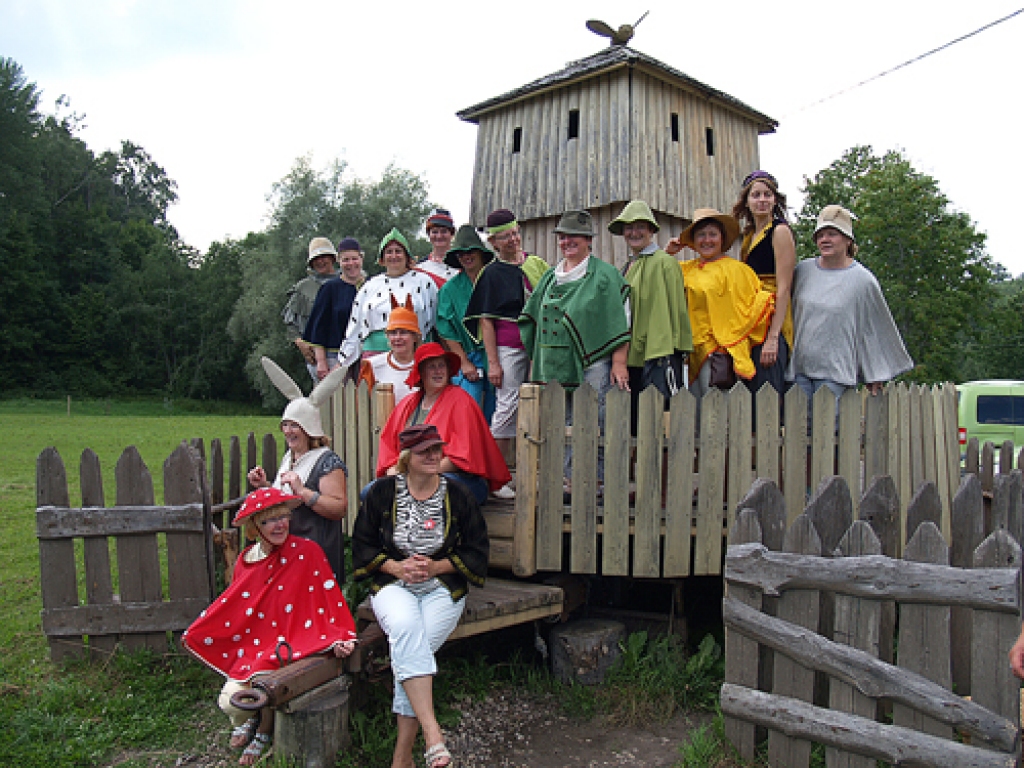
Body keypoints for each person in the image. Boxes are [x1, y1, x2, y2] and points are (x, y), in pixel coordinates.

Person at [183, 487, 356, 766]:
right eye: (268, 520)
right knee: (230, 702)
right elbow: (237, 604)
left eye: (283, 517)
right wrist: (203, 629)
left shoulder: (306, 552)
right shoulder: (246, 559)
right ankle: (250, 717)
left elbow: (328, 599)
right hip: (253, 646)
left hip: (294, 644)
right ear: (254, 527)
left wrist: (339, 635)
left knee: (270, 677)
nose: (279, 525)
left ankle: (263, 730)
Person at [352, 424, 489, 768]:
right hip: (393, 586)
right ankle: (432, 735)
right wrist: (397, 569)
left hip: (443, 588)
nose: (433, 456)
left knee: (409, 646)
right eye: (424, 451)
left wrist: (438, 567)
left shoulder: (458, 496)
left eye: (436, 449)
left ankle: (402, 756)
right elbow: (363, 545)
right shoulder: (382, 493)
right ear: (406, 458)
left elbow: (477, 551)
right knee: (406, 629)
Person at [518, 209, 631, 488]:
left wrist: (619, 361)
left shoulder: (605, 275)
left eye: (574, 237)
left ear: (588, 240)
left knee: (594, 418)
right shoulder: (549, 277)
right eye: (563, 237)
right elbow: (533, 316)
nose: (567, 242)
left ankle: (598, 481)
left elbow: (622, 319)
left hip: (592, 361)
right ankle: (568, 480)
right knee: (562, 421)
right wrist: (537, 359)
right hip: (553, 362)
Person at [787, 205, 913, 414]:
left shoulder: (862, 280)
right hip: (799, 370)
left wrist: (875, 372)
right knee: (798, 435)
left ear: (848, 240)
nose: (824, 240)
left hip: (835, 373)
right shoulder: (803, 271)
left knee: (827, 437)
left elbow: (874, 328)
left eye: (832, 234)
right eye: (820, 235)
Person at [463, 208, 550, 499]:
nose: (512, 240)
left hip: (539, 345)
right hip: (508, 344)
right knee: (507, 406)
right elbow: (485, 320)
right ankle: (497, 479)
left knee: (541, 404)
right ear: (494, 243)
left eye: (514, 233)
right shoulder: (490, 274)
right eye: (504, 237)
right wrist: (493, 363)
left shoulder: (537, 265)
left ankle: (537, 474)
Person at [248, 357, 350, 581]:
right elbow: (284, 499)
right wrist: (265, 485)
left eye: (294, 425)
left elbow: (338, 508)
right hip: (286, 552)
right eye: (285, 425)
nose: (288, 431)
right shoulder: (290, 458)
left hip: (315, 554)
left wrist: (304, 492)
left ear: (309, 428)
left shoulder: (327, 462)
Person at [376, 343, 511, 505]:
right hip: (413, 478)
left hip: (458, 478)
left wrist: (417, 476)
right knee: (370, 493)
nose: (438, 371)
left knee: (427, 496)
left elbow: (460, 458)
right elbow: (389, 451)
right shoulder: (407, 404)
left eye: (442, 366)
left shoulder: (461, 401)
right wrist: (396, 474)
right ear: (421, 372)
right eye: (432, 367)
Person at [677, 209, 774, 402]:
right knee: (695, 413)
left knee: (717, 414)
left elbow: (758, 304)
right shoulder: (685, 269)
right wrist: (667, 253)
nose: (707, 240)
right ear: (694, 241)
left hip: (720, 354)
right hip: (691, 352)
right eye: (701, 235)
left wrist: (728, 338)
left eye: (712, 234)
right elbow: (660, 283)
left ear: (722, 238)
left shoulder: (740, 271)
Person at [608, 200, 692, 419]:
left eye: (640, 227)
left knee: (660, 419)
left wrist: (674, 351)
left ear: (651, 230)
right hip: (632, 356)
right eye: (629, 227)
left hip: (659, 355)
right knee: (635, 420)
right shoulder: (626, 267)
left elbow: (677, 309)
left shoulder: (665, 263)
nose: (634, 232)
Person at [733, 171, 796, 395]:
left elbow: (785, 287)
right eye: (756, 195)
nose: (762, 200)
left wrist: (773, 338)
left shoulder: (779, 231)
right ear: (746, 201)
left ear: (775, 199)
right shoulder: (749, 236)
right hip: (753, 316)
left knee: (767, 388)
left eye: (767, 195)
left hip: (772, 318)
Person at [339, 227, 438, 367]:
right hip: (375, 356)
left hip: (415, 354)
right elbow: (355, 326)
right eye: (389, 252)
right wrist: (342, 363)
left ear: (406, 255)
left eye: (398, 251)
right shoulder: (370, 286)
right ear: (382, 257)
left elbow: (437, 323)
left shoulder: (424, 283)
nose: (394, 256)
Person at [435, 224, 494, 417]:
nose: (466, 256)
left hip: (497, 354)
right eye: (461, 253)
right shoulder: (449, 290)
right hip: (468, 354)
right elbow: (446, 330)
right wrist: (464, 362)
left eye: (471, 251)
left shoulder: (495, 280)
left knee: (498, 415)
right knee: (467, 411)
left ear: (480, 252)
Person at [304, 237, 366, 380]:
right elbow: (318, 328)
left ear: (361, 259)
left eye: (354, 259)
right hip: (335, 358)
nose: (351, 264)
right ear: (339, 261)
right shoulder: (329, 288)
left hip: (365, 356)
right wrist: (321, 362)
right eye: (346, 260)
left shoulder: (372, 286)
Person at [284, 237, 338, 382]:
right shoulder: (303, 288)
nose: (320, 261)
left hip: (344, 353)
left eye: (324, 257)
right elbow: (290, 322)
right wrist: (299, 341)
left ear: (332, 258)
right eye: (316, 258)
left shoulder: (347, 281)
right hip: (316, 358)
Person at [358, 294, 421, 403]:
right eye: (393, 333)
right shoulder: (372, 366)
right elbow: (362, 405)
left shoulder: (426, 364)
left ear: (415, 337)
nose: (397, 338)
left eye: (404, 332)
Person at [416, 208, 459, 286]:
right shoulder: (419, 268)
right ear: (428, 234)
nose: (439, 236)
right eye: (434, 232)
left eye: (444, 231)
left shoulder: (462, 265)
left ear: (452, 234)